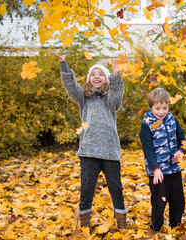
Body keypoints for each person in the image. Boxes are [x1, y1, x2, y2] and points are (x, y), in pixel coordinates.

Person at [51, 52, 128, 231]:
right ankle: (85, 226)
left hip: (110, 151)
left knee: (116, 189)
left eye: (101, 74)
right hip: (89, 151)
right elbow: (70, 86)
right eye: (93, 74)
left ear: (106, 79)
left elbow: (116, 96)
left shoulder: (110, 100)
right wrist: (63, 63)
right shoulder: (84, 98)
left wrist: (116, 76)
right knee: (86, 190)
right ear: (89, 79)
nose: (97, 77)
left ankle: (122, 225)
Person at [139, 88, 186, 233]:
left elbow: (182, 139)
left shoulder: (172, 120)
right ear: (150, 107)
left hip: (174, 169)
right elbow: (148, 149)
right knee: (159, 202)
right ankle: (156, 229)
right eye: (157, 108)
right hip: (158, 172)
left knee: (178, 201)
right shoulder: (147, 124)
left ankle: (175, 226)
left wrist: (181, 150)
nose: (161, 112)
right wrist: (155, 169)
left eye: (164, 108)